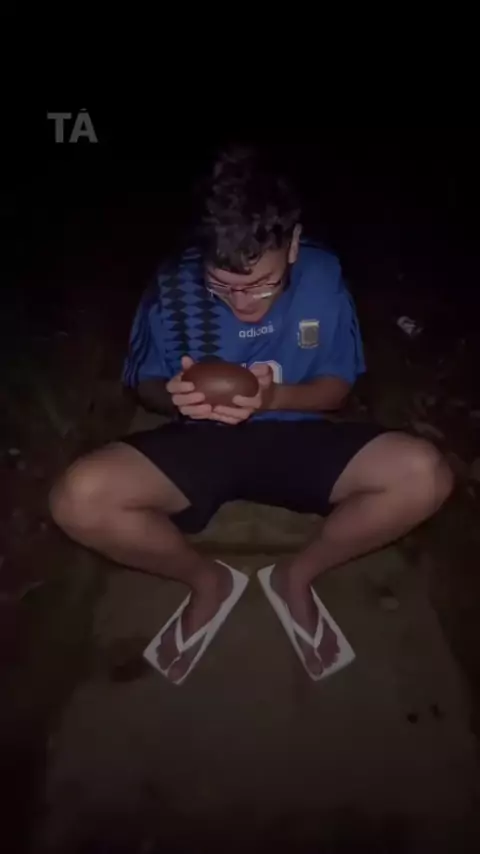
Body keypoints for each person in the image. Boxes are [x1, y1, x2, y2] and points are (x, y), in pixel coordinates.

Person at [49, 146, 454, 684]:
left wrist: (273, 400)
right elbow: (144, 382)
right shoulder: (174, 284)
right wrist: (174, 398)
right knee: (77, 499)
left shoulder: (323, 275)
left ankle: (297, 574)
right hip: (202, 437)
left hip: (298, 434)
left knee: (425, 475)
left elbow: (337, 387)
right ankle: (207, 582)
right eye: (224, 286)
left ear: (292, 244)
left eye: (261, 284)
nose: (242, 303)